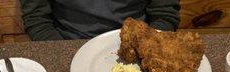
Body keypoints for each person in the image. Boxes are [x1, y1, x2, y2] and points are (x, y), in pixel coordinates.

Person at [20, 0, 180, 41]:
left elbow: (164, 14)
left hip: (138, 44)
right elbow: (37, 18)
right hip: (66, 44)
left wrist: (149, 47)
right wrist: (62, 55)